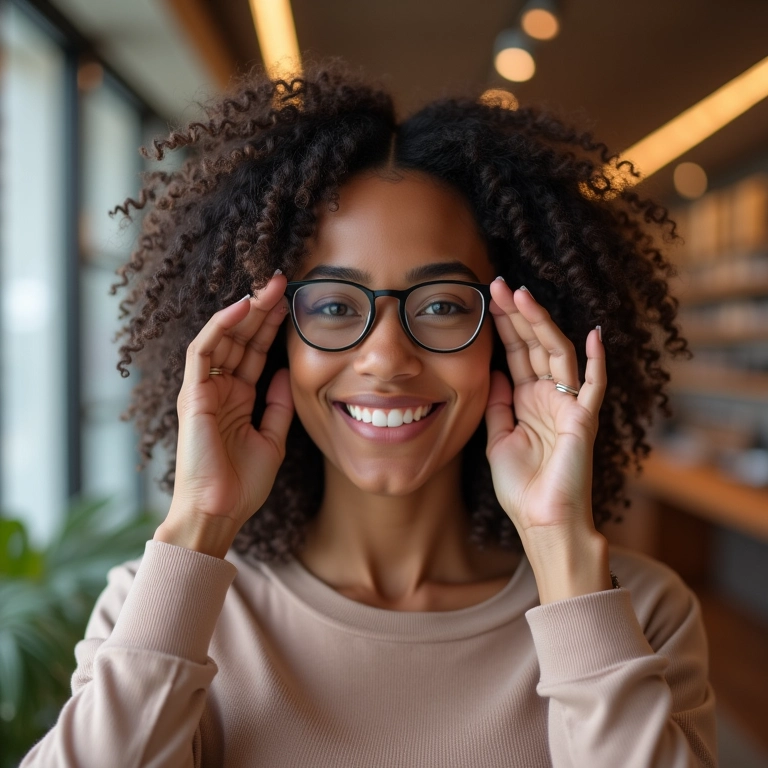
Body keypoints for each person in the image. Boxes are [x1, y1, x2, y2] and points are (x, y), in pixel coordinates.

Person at [21, 59, 717, 767]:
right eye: (330, 306)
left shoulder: (634, 612)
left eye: (443, 305)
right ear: (269, 340)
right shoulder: (163, 604)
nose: (386, 358)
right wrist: (200, 520)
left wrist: (561, 552)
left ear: (511, 338)